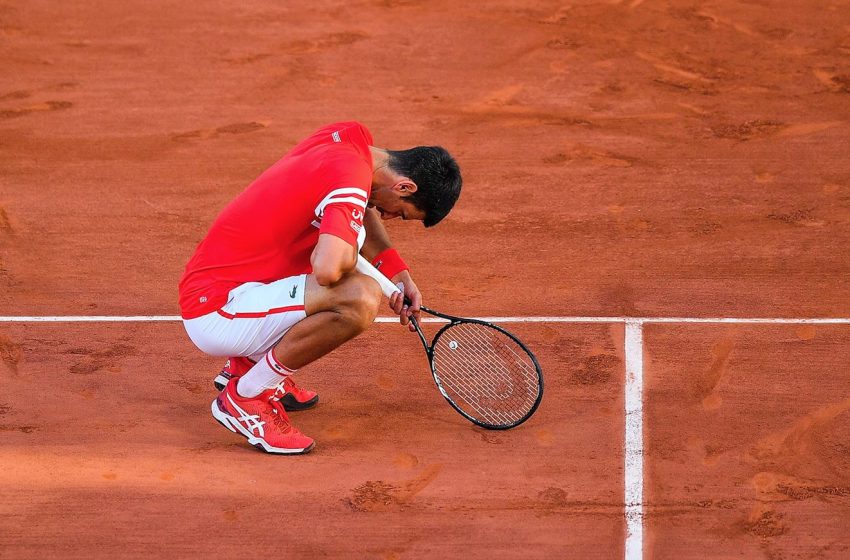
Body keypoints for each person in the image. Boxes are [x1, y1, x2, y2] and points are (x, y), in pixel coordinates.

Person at [178, 122, 462, 455]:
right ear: (404, 186)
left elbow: (360, 207)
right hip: (218, 310)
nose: (386, 217)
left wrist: (398, 276)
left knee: (348, 254)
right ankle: (247, 395)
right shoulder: (352, 182)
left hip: (233, 280)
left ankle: (246, 365)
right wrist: (351, 248)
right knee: (359, 297)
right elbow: (327, 270)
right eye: (399, 212)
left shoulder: (351, 140)